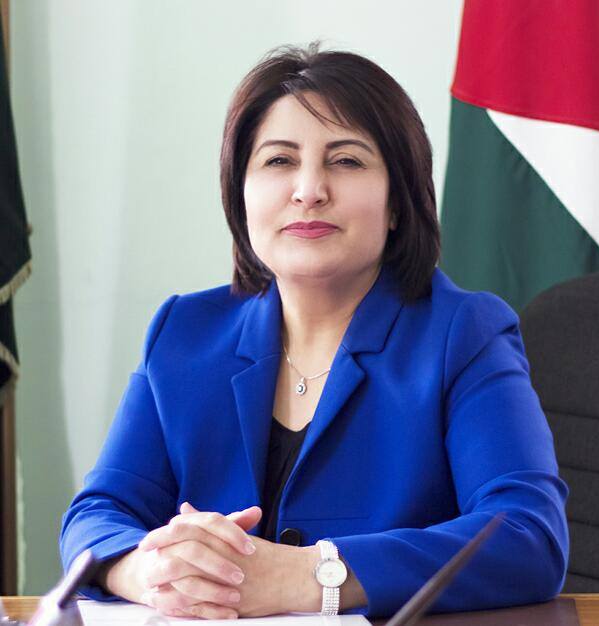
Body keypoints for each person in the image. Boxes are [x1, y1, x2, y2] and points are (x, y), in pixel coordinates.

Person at [59, 43, 569, 620]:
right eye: (279, 161)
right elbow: (96, 515)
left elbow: (528, 537)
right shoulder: (184, 333)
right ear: (241, 194)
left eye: (346, 161)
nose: (308, 189)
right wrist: (152, 570)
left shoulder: (464, 335)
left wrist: (315, 575)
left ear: (396, 201)